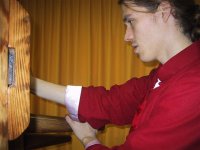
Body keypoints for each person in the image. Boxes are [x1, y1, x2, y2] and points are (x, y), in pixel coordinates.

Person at [31, 0, 200, 149]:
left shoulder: (193, 84)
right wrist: (29, 84)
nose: (126, 36)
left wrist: (89, 139)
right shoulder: (160, 77)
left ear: (164, 10)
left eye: (131, 21)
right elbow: (111, 102)